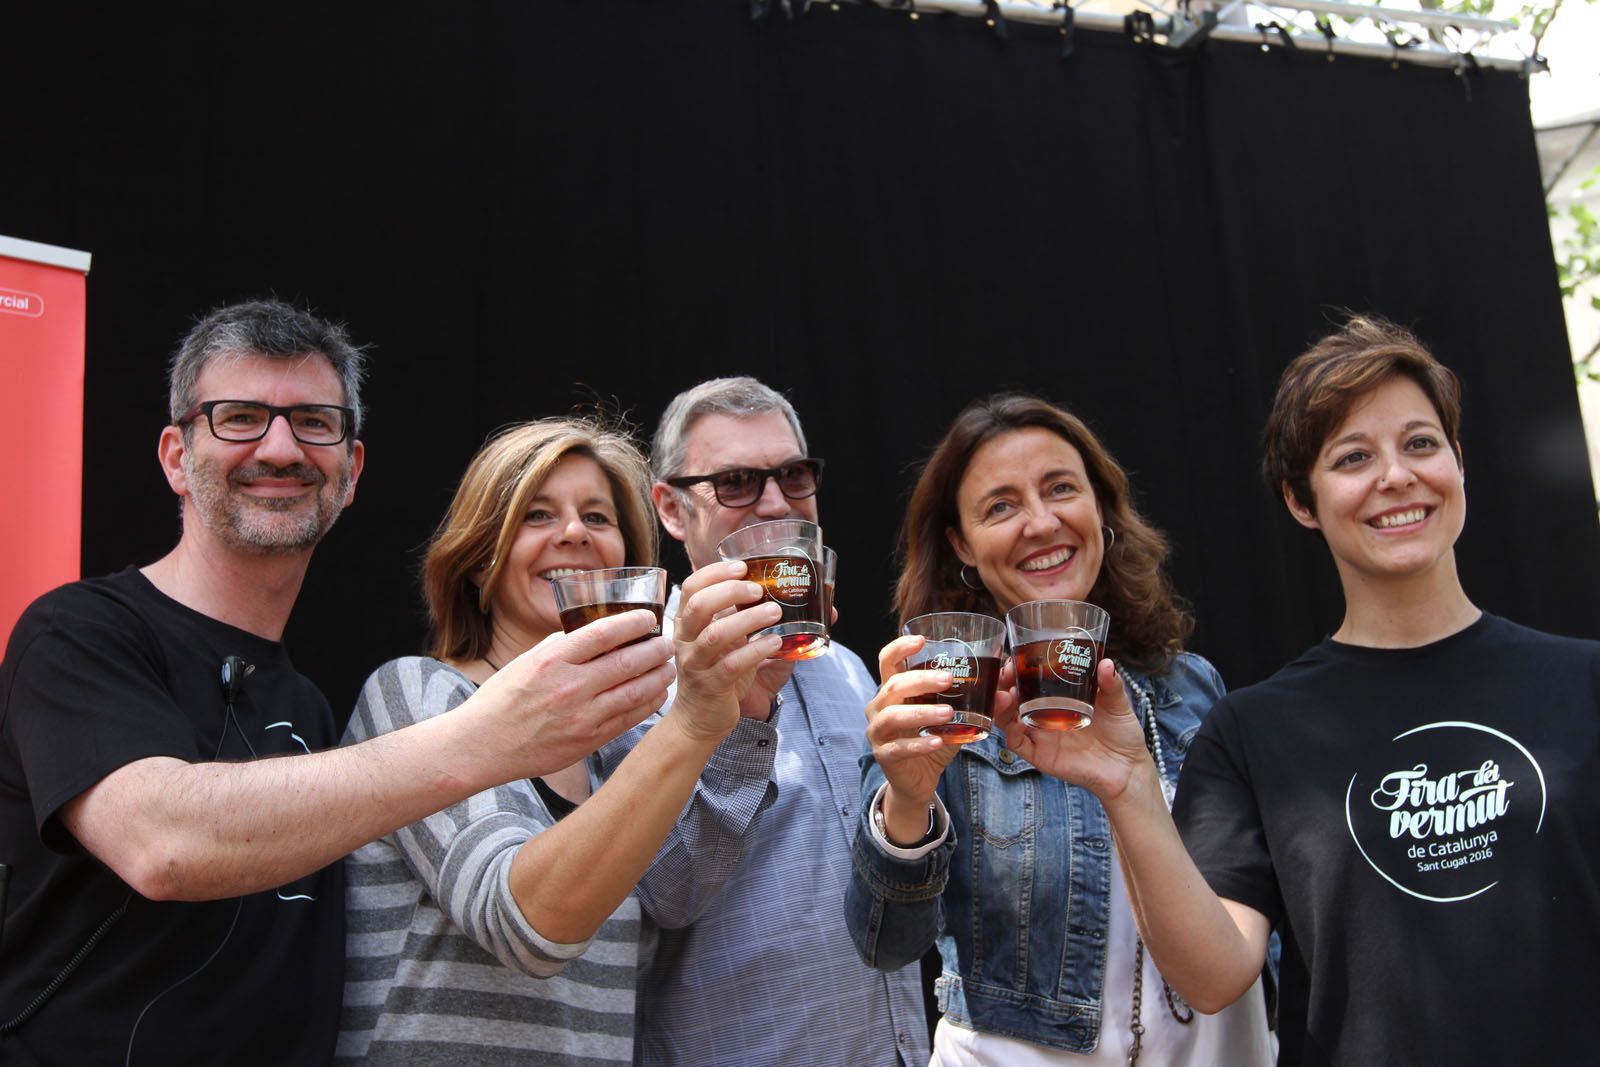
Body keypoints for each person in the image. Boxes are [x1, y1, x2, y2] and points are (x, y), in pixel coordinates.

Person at [0, 301, 674, 1065]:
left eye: (315, 422)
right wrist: (488, 735)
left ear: (352, 472)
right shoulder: (79, 632)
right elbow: (162, 844)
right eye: (240, 417)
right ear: (174, 457)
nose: (281, 446)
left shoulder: (308, 707)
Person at [1027, 316, 1600, 1065]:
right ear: (1302, 499)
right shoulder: (1252, 731)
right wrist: (1128, 784)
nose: (1396, 476)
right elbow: (1213, 974)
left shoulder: (1584, 680)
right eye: (1354, 456)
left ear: (1459, 463)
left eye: (1421, 443)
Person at [845, 394, 1274, 1065]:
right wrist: (905, 800)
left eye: (1061, 488)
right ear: (962, 544)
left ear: (1101, 510)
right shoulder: (939, 703)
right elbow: (885, 945)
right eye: (1001, 506)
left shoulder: (1190, 687)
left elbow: (1249, 925)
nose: (1041, 522)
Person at [338, 417, 782, 1064]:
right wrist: (690, 720)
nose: (573, 532)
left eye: (598, 518)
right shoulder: (419, 696)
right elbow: (528, 927)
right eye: (537, 514)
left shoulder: (623, 741)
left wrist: (744, 709)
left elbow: (677, 893)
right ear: (481, 554)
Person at [595, 377, 931, 1067]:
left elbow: (894, 917)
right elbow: (670, 895)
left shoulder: (848, 669)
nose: (776, 502)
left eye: (793, 475)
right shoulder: (633, 673)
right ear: (672, 508)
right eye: (739, 482)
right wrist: (744, 709)